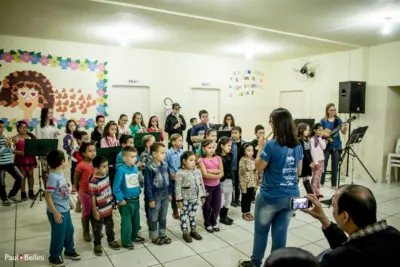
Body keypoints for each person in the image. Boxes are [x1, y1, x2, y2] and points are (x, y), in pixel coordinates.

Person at [239, 108, 303, 267]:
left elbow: (258, 168)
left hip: (270, 197)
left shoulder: (271, 145)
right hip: (292, 196)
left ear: (275, 124)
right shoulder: (298, 145)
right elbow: (299, 171)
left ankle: (255, 263)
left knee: (261, 232)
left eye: (270, 122)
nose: (270, 125)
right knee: (280, 233)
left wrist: (260, 147)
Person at [302, 184, 400, 267]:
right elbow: (350, 245)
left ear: (345, 216)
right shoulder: (394, 234)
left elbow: (345, 252)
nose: (333, 212)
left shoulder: (336, 259)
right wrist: (323, 219)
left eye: (334, 207)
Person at [45, 150, 81, 267]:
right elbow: (48, 196)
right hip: (57, 212)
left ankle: (69, 250)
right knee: (58, 235)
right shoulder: (52, 177)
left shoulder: (60, 174)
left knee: (69, 231)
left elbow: (64, 190)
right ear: (62, 162)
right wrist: (55, 213)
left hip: (65, 209)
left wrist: (70, 201)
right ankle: (54, 256)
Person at [113, 146, 144, 250]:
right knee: (127, 223)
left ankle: (134, 236)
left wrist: (138, 190)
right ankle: (126, 241)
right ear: (125, 158)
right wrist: (120, 199)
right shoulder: (121, 170)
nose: (135, 159)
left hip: (135, 199)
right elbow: (116, 187)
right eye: (132, 157)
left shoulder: (135, 168)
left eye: (135, 156)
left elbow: (135, 181)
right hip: (126, 201)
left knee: (136, 220)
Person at [89, 156, 120, 255]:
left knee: (110, 225)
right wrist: (94, 210)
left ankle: (111, 240)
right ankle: (97, 244)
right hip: (99, 210)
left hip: (108, 208)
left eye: (107, 166)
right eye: (104, 167)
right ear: (96, 168)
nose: (107, 168)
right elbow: (92, 197)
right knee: (97, 228)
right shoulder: (93, 181)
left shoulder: (106, 176)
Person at [144, 142, 173, 245]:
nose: (164, 155)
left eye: (164, 153)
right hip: (155, 196)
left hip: (165, 195)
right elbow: (148, 185)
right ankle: (154, 236)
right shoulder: (149, 167)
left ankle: (162, 234)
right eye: (162, 153)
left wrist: (170, 193)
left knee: (163, 216)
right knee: (154, 217)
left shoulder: (165, 165)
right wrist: (150, 199)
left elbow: (168, 179)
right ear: (154, 154)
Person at [175, 151, 206, 243]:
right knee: (184, 215)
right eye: (191, 160)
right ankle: (185, 232)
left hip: (195, 197)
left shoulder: (197, 171)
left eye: (194, 160)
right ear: (184, 161)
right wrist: (179, 200)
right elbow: (177, 187)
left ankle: (193, 230)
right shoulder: (180, 173)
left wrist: (203, 195)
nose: (193, 162)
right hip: (184, 198)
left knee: (193, 214)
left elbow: (201, 183)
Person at [198, 139, 223, 233]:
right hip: (207, 186)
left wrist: (209, 170)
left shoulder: (218, 158)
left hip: (217, 186)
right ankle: (207, 223)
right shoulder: (201, 160)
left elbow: (221, 171)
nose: (212, 150)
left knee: (217, 206)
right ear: (204, 148)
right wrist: (217, 174)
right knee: (207, 206)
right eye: (209, 148)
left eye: (213, 147)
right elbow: (205, 175)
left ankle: (214, 220)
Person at [320, 103, 347, 189]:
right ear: (327, 111)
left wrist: (344, 127)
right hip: (326, 146)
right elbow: (319, 132)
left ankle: (334, 184)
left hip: (336, 145)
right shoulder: (323, 121)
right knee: (323, 165)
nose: (333, 111)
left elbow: (343, 132)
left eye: (334, 110)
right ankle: (321, 182)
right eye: (331, 110)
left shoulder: (338, 120)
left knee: (335, 165)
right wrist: (325, 133)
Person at [74, 141, 96, 242]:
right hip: (85, 192)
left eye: (94, 150)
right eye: (90, 151)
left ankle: (96, 230)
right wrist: (78, 190)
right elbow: (76, 179)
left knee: (95, 211)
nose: (93, 153)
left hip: (96, 192)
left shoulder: (97, 163)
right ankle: (86, 231)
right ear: (83, 153)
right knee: (86, 212)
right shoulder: (80, 165)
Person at [13, 121, 37, 201]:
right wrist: (20, 152)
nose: (24, 129)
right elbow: (11, 150)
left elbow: (35, 147)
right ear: (18, 129)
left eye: (25, 127)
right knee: (22, 176)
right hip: (21, 159)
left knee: (30, 175)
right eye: (22, 127)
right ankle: (23, 193)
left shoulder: (31, 136)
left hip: (30, 158)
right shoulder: (16, 138)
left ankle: (31, 191)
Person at [0, 120, 23, 205]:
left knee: (20, 177)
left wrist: (11, 144)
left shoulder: (5, 137)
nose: (2, 129)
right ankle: (4, 199)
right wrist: (5, 145)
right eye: (0, 127)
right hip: (0, 164)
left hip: (9, 162)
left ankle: (12, 195)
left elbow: (11, 151)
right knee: (1, 183)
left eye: (3, 127)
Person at [35, 108, 60, 184]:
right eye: (49, 113)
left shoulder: (54, 124)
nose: (51, 114)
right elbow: (39, 140)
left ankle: (53, 188)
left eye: (52, 112)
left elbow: (56, 139)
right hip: (44, 152)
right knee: (45, 171)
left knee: (54, 170)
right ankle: (46, 188)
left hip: (53, 151)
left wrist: (57, 134)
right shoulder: (39, 126)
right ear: (44, 114)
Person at [216, 136, 234, 225]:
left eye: (230, 146)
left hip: (229, 179)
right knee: (221, 200)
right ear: (222, 146)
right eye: (228, 146)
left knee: (229, 199)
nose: (230, 148)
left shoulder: (230, 155)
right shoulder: (217, 156)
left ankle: (224, 215)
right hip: (221, 180)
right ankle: (219, 216)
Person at [166, 133, 184, 220]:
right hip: (172, 177)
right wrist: (170, 173)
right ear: (173, 142)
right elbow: (165, 164)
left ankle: (182, 209)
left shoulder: (182, 152)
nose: (181, 142)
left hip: (181, 176)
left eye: (182, 140)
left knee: (181, 194)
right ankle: (175, 210)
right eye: (179, 140)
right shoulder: (168, 153)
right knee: (174, 195)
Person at [239, 143, 258, 221]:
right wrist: (243, 185)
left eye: (252, 150)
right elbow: (241, 174)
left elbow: (256, 172)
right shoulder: (242, 160)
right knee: (245, 198)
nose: (251, 152)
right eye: (248, 150)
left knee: (250, 198)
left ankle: (248, 211)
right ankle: (244, 212)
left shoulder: (254, 159)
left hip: (252, 182)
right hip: (245, 183)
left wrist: (256, 183)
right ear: (244, 151)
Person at [310, 123, 326, 198]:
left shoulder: (320, 138)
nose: (320, 132)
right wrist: (315, 162)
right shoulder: (312, 139)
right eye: (319, 130)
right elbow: (312, 152)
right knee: (315, 178)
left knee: (319, 177)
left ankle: (318, 192)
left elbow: (324, 147)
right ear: (315, 130)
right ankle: (313, 193)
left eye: (322, 130)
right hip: (316, 161)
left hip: (321, 160)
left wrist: (320, 138)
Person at [231, 126, 245, 207]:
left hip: (241, 167)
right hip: (232, 167)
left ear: (240, 134)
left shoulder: (243, 143)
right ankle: (232, 200)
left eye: (236, 133)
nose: (234, 135)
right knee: (232, 184)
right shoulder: (229, 142)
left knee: (238, 184)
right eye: (232, 133)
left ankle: (237, 199)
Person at [63, 119, 78, 190]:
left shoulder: (78, 135)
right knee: (73, 171)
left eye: (73, 125)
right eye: (70, 126)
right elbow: (66, 147)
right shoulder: (67, 136)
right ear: (67, 127)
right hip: (72, 157)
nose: (72, 127)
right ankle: (73, 186)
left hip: (80, 156)